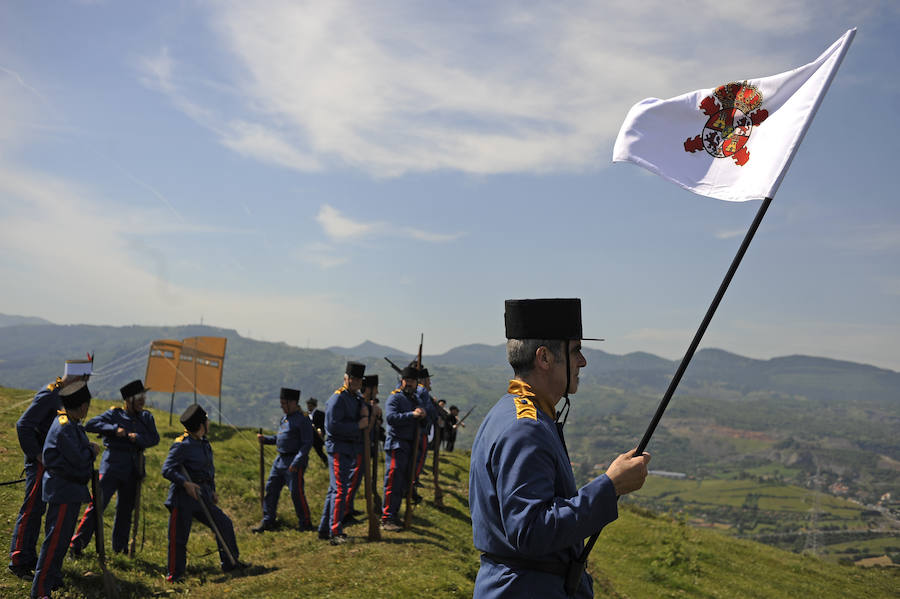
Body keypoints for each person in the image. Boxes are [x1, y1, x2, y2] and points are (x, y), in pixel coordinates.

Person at [469, 298, 650, 598]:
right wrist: (610, 486)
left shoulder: (512, 412)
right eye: (575, 350)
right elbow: (531, 531)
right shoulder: (525, 428)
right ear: (544, 358)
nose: (583, 361)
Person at [9, 357, 92, 581]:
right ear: (79, 377)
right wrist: (37, 455)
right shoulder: (50, 394)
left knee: (39, 511)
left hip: (52, 462)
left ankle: (31, 558)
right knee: (32, 510)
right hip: (41, 462)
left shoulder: (62, 393)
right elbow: (23, 425)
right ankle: (19, 559)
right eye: (86, 379)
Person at [70, 379, 160, 555]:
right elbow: (91, 425)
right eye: (138, 397)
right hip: (112, 465)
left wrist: (137, 438)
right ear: (128, 400)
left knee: (125, 510)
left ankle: (119, 548)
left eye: (143, 396)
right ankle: (77, 544)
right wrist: (114, 429)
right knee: (98, 505)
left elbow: (154, 438)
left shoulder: (146, 418)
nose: (142, 400)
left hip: (134, 468)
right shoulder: (114, 414)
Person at [161, 404, 246, 582]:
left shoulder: (204, 443)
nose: (209, 423)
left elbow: (208, 471)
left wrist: (212, 491)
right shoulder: (181, 445)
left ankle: (230, 562)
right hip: (183, 498)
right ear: (201, 425)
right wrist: (186, 484)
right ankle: (174, 574)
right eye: (206, 420)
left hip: (202, 495)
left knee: (224, 523)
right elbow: (167, 469)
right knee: (178, 538)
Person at [31, 380, 100, 599]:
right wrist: (92, 451)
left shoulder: (70, 423)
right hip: (63, 489)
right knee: (55, 541)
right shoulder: (65, 426)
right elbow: (78, 458)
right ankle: (40, 590)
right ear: (83, 406)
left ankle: (53, 578)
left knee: (62, 539)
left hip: (70, 490)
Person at [317, 362, 369, 545]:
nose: (356, 382)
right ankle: (335, 532)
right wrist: (358, 425)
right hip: (339, 448)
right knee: (340, 490)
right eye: (353, 379)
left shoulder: (356, 397)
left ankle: (324, 529)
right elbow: (333, 427)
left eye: (358, 380)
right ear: (346, 378)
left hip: (349, 448)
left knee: (334, 490)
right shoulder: (337, 399)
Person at [253, 388, 314, 533]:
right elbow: (280, 438)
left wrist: (297, 462)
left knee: (296, 493)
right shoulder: (284, 419)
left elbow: (307, 443)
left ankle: (305, 523)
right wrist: (266, 440)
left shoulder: (303, 419)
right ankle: (268, 520)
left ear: (293, 403)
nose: (282, 407)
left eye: (284, 404)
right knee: (271, 488)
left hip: (294, 461)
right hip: (280, 460)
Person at [381, 365, 425, 531]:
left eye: (413, 381)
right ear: (402, 381)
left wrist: (423, 415)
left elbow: (424, 419)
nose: (410, 383)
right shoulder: (395, 398)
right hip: (397, 444)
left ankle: (394, 514)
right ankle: (387, 517)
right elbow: (391, 418)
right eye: (407, 380)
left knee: (403, 483)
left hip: (411, 445)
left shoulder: (416, 399)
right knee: (393, 481)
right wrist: (411, 415)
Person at [306, 398, 328, 468]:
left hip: (317, 437)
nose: (308, 407)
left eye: (310, 405)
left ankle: (327, 463)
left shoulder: (320, 414)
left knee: (319, 452)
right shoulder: (306, 415)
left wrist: (321, 432)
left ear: (313, 405)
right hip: (308, 436)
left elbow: (324, 425)